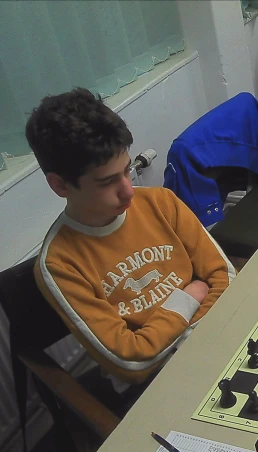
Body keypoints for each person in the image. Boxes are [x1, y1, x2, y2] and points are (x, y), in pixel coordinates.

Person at [26, 88, 235, 396]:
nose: (129, 192)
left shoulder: (161, 203)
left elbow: (227, 281)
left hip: (217, 338)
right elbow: (130, 363)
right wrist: (189, 296)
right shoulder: (59, 264)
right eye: (107, 181)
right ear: (60, 185)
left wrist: (165, 337)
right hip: (160, 385)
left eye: (127, 171)